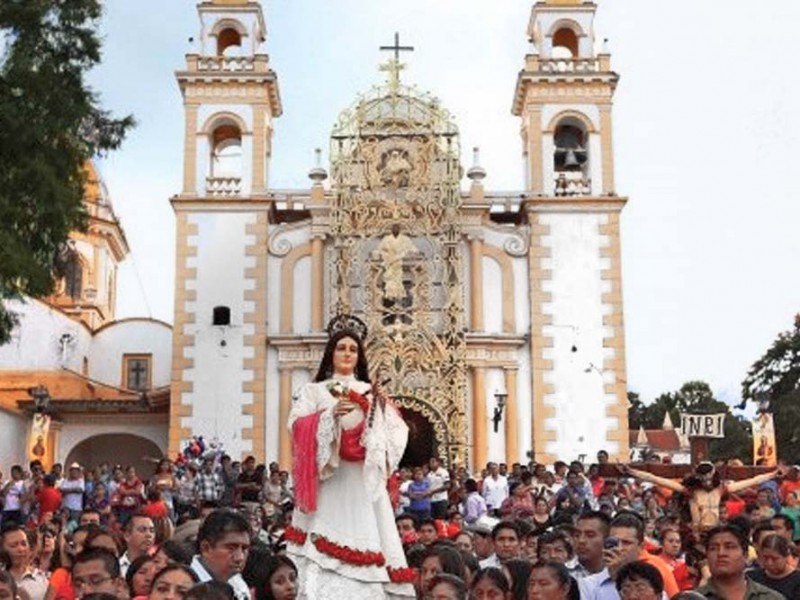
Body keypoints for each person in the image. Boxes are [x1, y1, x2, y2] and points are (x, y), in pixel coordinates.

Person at [286, 315, 414, 598]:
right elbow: (295, 426)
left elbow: (397, 432)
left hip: (363, 480)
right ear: (331, 353)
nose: (347, 353)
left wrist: (376, 417)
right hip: (329, 478)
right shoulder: (314, 390)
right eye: (341, 347)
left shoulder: (371, 392)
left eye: (353, 349)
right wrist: (328, 418)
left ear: (359, 357)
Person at [621, 462, 789, 534]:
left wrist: (773, 473)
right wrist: (631, 472)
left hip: (717, 531)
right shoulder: (690, 491)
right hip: (695, 535)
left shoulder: (721, 489)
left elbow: (751, 481)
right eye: (704, 478)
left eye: (709, 477)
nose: (707, 481)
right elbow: (655, 478)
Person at [695, 525, 784, 600]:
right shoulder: (694, 598)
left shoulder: (770, 598)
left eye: (729, 547)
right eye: (713, 548)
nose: (721, 553)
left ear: (745, 555)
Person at [747, 533, 800, 598]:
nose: (769, 563)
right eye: (765, 558)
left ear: (786, 556)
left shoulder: (797, 580)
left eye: (775, 559)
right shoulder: (753, 577)